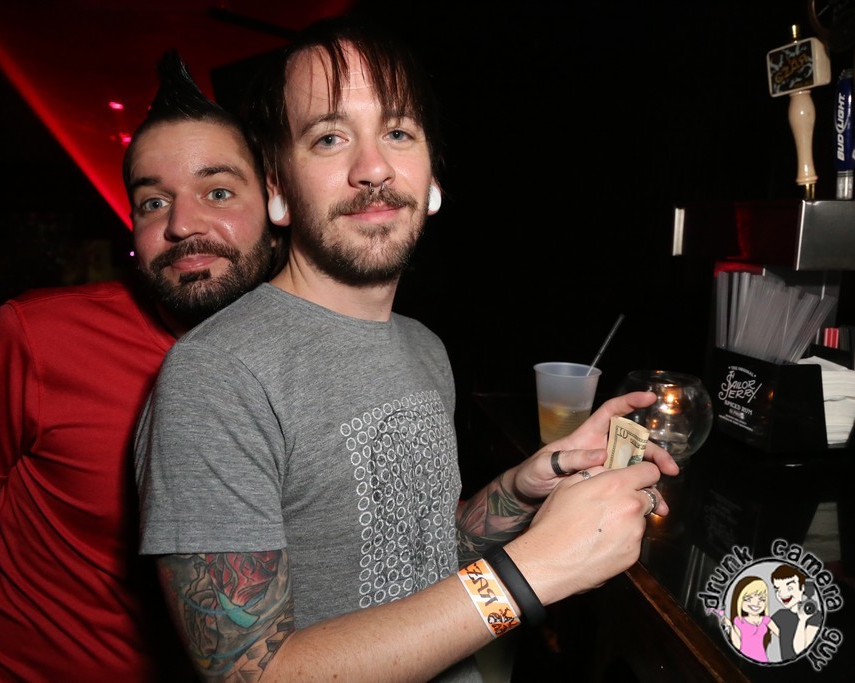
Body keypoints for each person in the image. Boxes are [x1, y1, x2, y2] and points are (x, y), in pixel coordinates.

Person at [134, 16, 679, 682]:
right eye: (329, 137)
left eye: (397, 133)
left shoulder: (424, 348)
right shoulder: (215, 376)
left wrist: (523, 488)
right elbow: (251, 673)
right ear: (277, 189)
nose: (373, 168)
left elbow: (425, 557)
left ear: (432, 178)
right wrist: (532, 573)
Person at [0, 50, 282, 682]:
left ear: (276, 211)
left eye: (217, 192)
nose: (182, 224)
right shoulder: (35, 336)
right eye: (153, 202)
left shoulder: (310, 360)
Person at [770, 564, 822, 660]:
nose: (782, 594)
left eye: (789, 588)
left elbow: (800, 650)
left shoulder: (815, 616)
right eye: (777, 589)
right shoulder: (780, 615)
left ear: (802, 587)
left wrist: (802, 620)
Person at [721, 576, 777, 662]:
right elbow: (737, 645)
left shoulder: (766, 620)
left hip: (762, 660)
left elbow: (783, 635)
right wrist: (730, 626)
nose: (756, 603)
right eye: (748, 599)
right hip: (743, 660)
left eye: (762, 599)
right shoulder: (739, 621)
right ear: (739, 600)